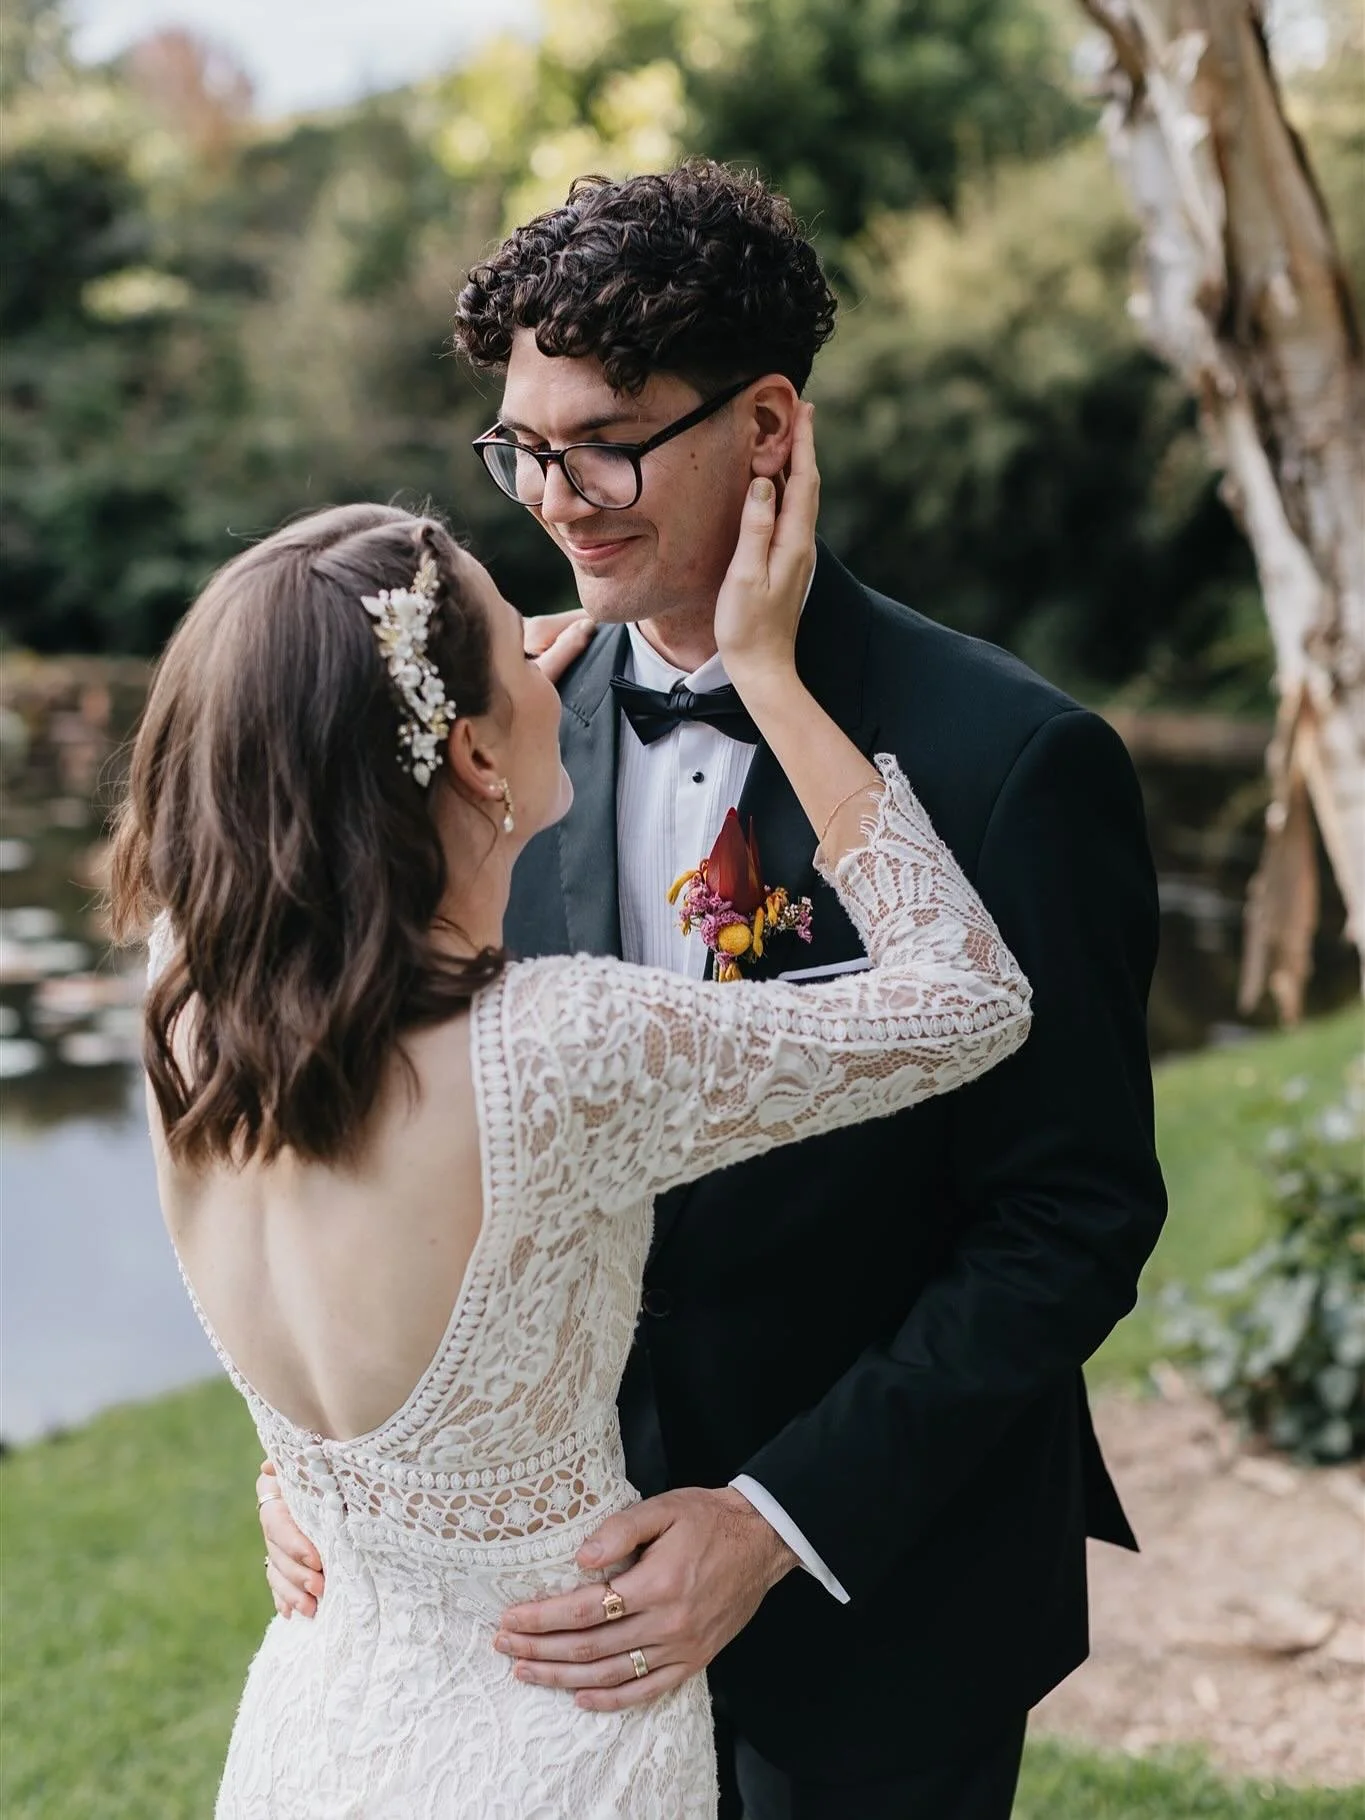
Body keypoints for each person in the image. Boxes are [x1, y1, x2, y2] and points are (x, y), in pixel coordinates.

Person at [257, 160, 1167, 1819]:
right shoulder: (481, 745)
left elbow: (1072, 1219)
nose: (556, 492)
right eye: (521, 445)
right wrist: (334, 1451)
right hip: (541, 1620)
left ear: (767, 429)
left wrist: (770, 1522)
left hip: (883, 1597)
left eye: (607, 438)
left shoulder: (1014, 761)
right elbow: (373, 1128)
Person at [114, 410, 1032, 1818]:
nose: (563, 637)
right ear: (472, 754)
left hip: (321, 1722)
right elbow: (969, 999)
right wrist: (773, 677)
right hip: (561, 1743)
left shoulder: (189, 1000)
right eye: (514, 630)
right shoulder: (563, 1052)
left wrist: (315, 1478)